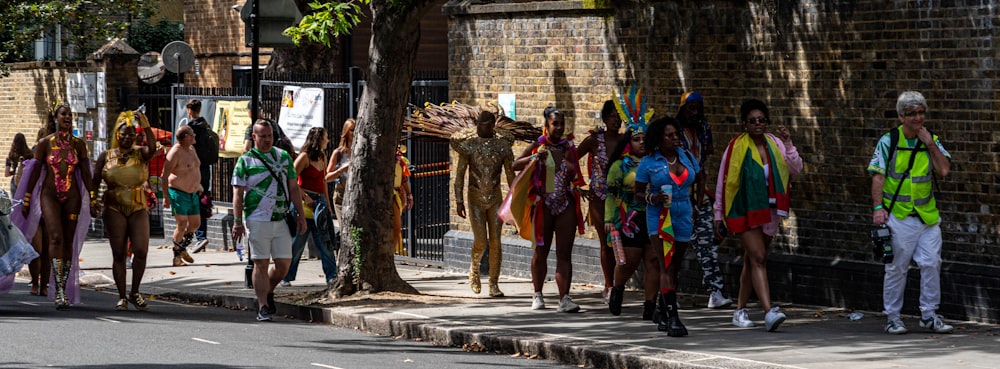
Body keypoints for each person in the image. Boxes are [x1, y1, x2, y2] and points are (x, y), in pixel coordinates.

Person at [713, 99, 802, 332]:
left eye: (762, 120)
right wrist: (717, 214)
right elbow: (725, 181)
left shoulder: (775, 144)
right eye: (752, 121)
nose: (758, 124)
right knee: (760, 258)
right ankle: (768, 312)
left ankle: (740, 310)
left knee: (751, 260)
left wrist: (788, 143)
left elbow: (796, 169)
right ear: (745, 124)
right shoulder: (736, 147)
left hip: (770, 210)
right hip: (744, 209)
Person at [869, 91, 953, 335]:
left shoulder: (931, 140)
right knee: (897, 267)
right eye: (912, 114)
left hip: (927, 215)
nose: (918, 118)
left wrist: (929, 143)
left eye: (921, 112)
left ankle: (929, 314)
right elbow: (878, 176)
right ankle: (893, 317)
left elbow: (944, 170)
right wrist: (878, 208)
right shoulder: (889, 141)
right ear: (901, 116)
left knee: (931, 263)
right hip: (899, 214)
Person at [17, 102, 95, 309]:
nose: (67, 118)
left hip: (72, 197)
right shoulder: (45, 143)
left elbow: (86, 173)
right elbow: (33, 172)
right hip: (50, 195)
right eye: (63, 114)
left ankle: (62, 286)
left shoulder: (78, 144)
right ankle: (58, 288)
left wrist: (94, 197)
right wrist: (26, 199)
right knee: (56, 237)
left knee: (69, 240)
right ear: (56, 117)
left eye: (70, 115)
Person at [231, 119, 307, 322]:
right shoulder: (245, 161)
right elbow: (237, 194)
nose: (266, 140)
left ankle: (267, 291)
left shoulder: (283, 157)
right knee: (261, 263)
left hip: (280, 217)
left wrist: (300, 214)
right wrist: (237, 221)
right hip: (256, 218)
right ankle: (263, 306)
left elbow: (293, 187)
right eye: (262, 136)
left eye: (269, 136)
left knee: (283, 264)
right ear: (253, 137)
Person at [512, 106, 586, 313]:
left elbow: (575, 175)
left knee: (564, 253)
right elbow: (514, 165)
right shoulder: (538, 146)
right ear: (546, 126)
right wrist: (535, 158)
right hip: (542, 204)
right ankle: (537, 294)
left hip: (564, 203)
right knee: (541, 251)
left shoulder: (568, 148)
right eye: (555, 124)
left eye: (562, 124)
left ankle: (564, 298)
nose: (559, 128)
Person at [635, 117, 700, 336]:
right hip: (660, 216)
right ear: (659, 139)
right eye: (669, 135)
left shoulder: (687, 156)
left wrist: (698, 204)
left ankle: (662, 310)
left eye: (676, 134)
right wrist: (652, 198)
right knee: (666, 266)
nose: (674, 138)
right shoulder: (649, 163)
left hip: (683, 212)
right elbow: (637, 192)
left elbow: (700, 176)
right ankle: (673, 318)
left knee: (676, 265)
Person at [91, 110, 157, 310]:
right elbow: (94, 182)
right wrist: (93, 201)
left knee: (141, 250)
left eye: (131, 134)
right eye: (124, 133)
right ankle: (122, 296)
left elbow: (153, 147)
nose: (127, 137)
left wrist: (145, 124)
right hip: (113, 206)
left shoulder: (141, 153)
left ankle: (135, 290)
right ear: (117, 135)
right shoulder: (106, 156)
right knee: (119, 253)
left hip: (138, 206)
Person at [675, 92, 733, 309]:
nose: (695, 112)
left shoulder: (703, 129)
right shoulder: (674, 131)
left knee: (707, 241)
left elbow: (705, 160)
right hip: (678, 194)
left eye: (698, 108)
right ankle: (669, 292)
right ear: (682, 109)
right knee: (675, 246)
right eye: (691, 108)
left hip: (700, 192)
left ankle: (715, 291)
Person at [452, 110, 515, 297]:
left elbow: (511, 175)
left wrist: (514, 201)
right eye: (478, 124)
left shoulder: (503, 146)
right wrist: (459, 201)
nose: (479, 127)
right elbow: (459, 176)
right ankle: (474, 269)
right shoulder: (469, 146)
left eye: (483, 125)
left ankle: (494, 284)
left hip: (495, 197)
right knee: (481, 240)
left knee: (496, 241)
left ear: (492, 126)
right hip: (475, 198)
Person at [604, 125, 661, 320]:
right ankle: (617, 289)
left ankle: (650, 305)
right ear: (629, 142)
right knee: (630, 261)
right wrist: (609, 219)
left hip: (653, 216)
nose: (642, 142)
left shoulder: (657, 162)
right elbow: (611, 195)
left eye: (645, 138)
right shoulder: (620, 166)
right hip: (629, 218)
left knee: (653, 260)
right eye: (637, 139)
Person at [577, 100, 623, 303]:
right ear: (604, 119)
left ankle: (619, 283)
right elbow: (571, 158)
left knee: (620, 241)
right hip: (600, 199)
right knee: (606, 243)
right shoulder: (594, 140)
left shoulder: (626, 140)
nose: (616, 119)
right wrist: (577, 186)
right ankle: (609, 285)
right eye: (612, 115)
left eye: (619, 116)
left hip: (622, 200)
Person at [280, 127, 337, 287]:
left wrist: (328, 204)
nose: (328, 140)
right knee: (297, 243)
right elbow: (290, 179)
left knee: (325, 243)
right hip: (304, 204)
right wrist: (305, 196)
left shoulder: (323, 156)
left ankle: (332, 276)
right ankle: (286, 276)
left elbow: (323, 182)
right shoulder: (304, 157)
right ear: (318, 139)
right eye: (325, 137)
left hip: (320, 204)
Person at [161, 125, 201, 266]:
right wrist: (166, 196)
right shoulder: (174, 153)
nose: (194, 135)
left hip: (193, 193)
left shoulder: (191, 149)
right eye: (192, 134)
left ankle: (182, 247)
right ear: (185, 137)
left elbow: (194, 168)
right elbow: (164, 176)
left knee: (195, 223)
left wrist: (198, 185)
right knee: (182, 223)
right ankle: (177, 257)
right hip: (178, 192)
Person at [183, 99, 219, 255]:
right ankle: (200, 235)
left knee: (190, 203)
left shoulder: (189, 129)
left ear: (189, 110)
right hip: (205, 170)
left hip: (191, 171)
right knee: (201, 200)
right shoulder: (206, 126)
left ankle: (197, 236)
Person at [326, 118, 355, 231]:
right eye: (352, 130)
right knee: (345, 229)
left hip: (357, 193)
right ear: (346, 132)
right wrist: (342, 169)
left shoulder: (362, 151)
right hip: (342, 194)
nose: (355, 133)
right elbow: (327, 178)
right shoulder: (338, 153)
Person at [392, 145, 413, 256]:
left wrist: (409, 195)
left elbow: (404, 179)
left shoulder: (400, 161)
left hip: (395, 195)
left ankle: (390, 256)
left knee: (397, 228)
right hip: (385, 194)